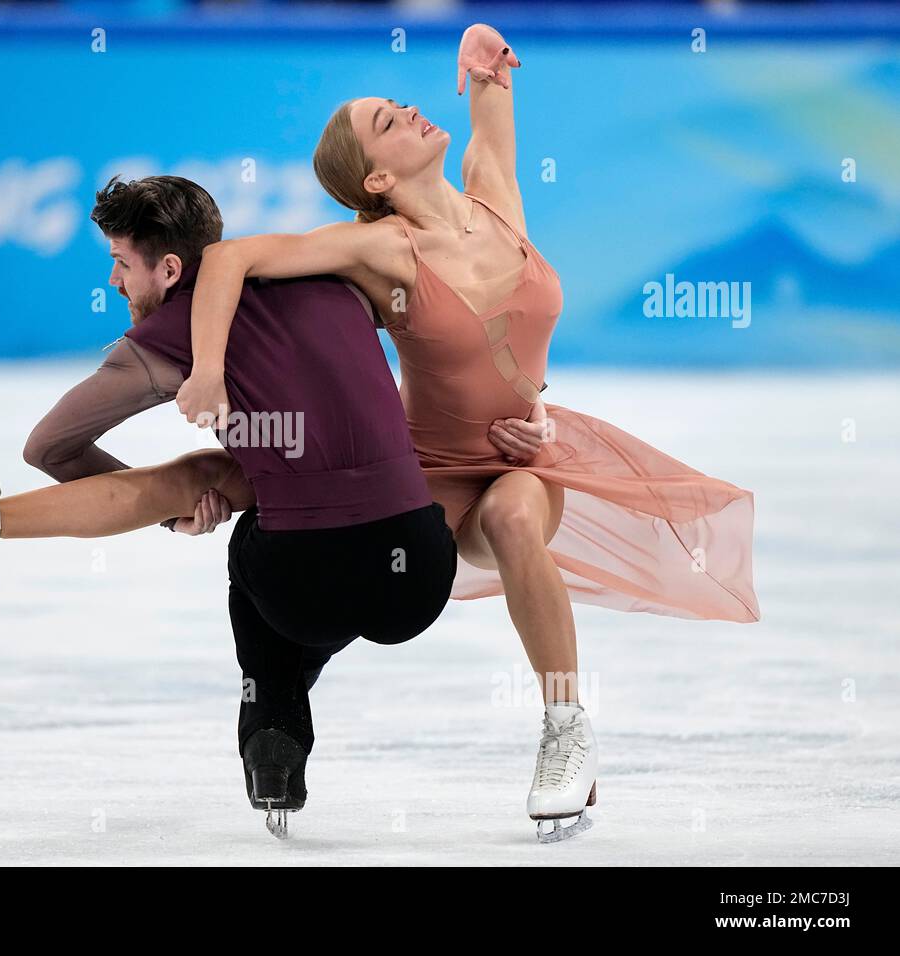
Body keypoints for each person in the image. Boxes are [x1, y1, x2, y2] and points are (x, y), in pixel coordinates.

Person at [174, 23, 761, 842]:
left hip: (522, 464)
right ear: (377, 177)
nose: (410, 111)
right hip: (420, 472)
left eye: (403, 102)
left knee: (517, 517)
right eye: (387, 120)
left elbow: (489, 88)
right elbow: (232, 259)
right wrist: (205, 372)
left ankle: (565, 734)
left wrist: (479, 49)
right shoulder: (381, 247)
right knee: (356, 591)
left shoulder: (496, 194)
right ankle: (278, 708)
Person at [0, 175, 539, 835]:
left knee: (246, 530)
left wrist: (175, 511)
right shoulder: (333, 277)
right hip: (418, 573)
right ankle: (277, 730)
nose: (113, 281)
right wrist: (536, 414)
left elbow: (49, 448)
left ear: (172, 270)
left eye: (122, 263)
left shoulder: (164, 339)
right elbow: (458, 339)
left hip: (300, 580)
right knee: (237, 474)